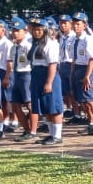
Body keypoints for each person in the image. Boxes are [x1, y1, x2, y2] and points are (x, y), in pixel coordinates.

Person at [27, 17, 64, 146]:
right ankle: (51, 134)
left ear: (45, 30)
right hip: (36, 74)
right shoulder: (35, 43)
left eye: (39, 29)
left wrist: (49, 82)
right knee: (45, 107)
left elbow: (52, 65)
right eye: (34, 29)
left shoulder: (51, 43)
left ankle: (57, 135)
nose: (36, 32)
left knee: (54, 106)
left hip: (48, 75)